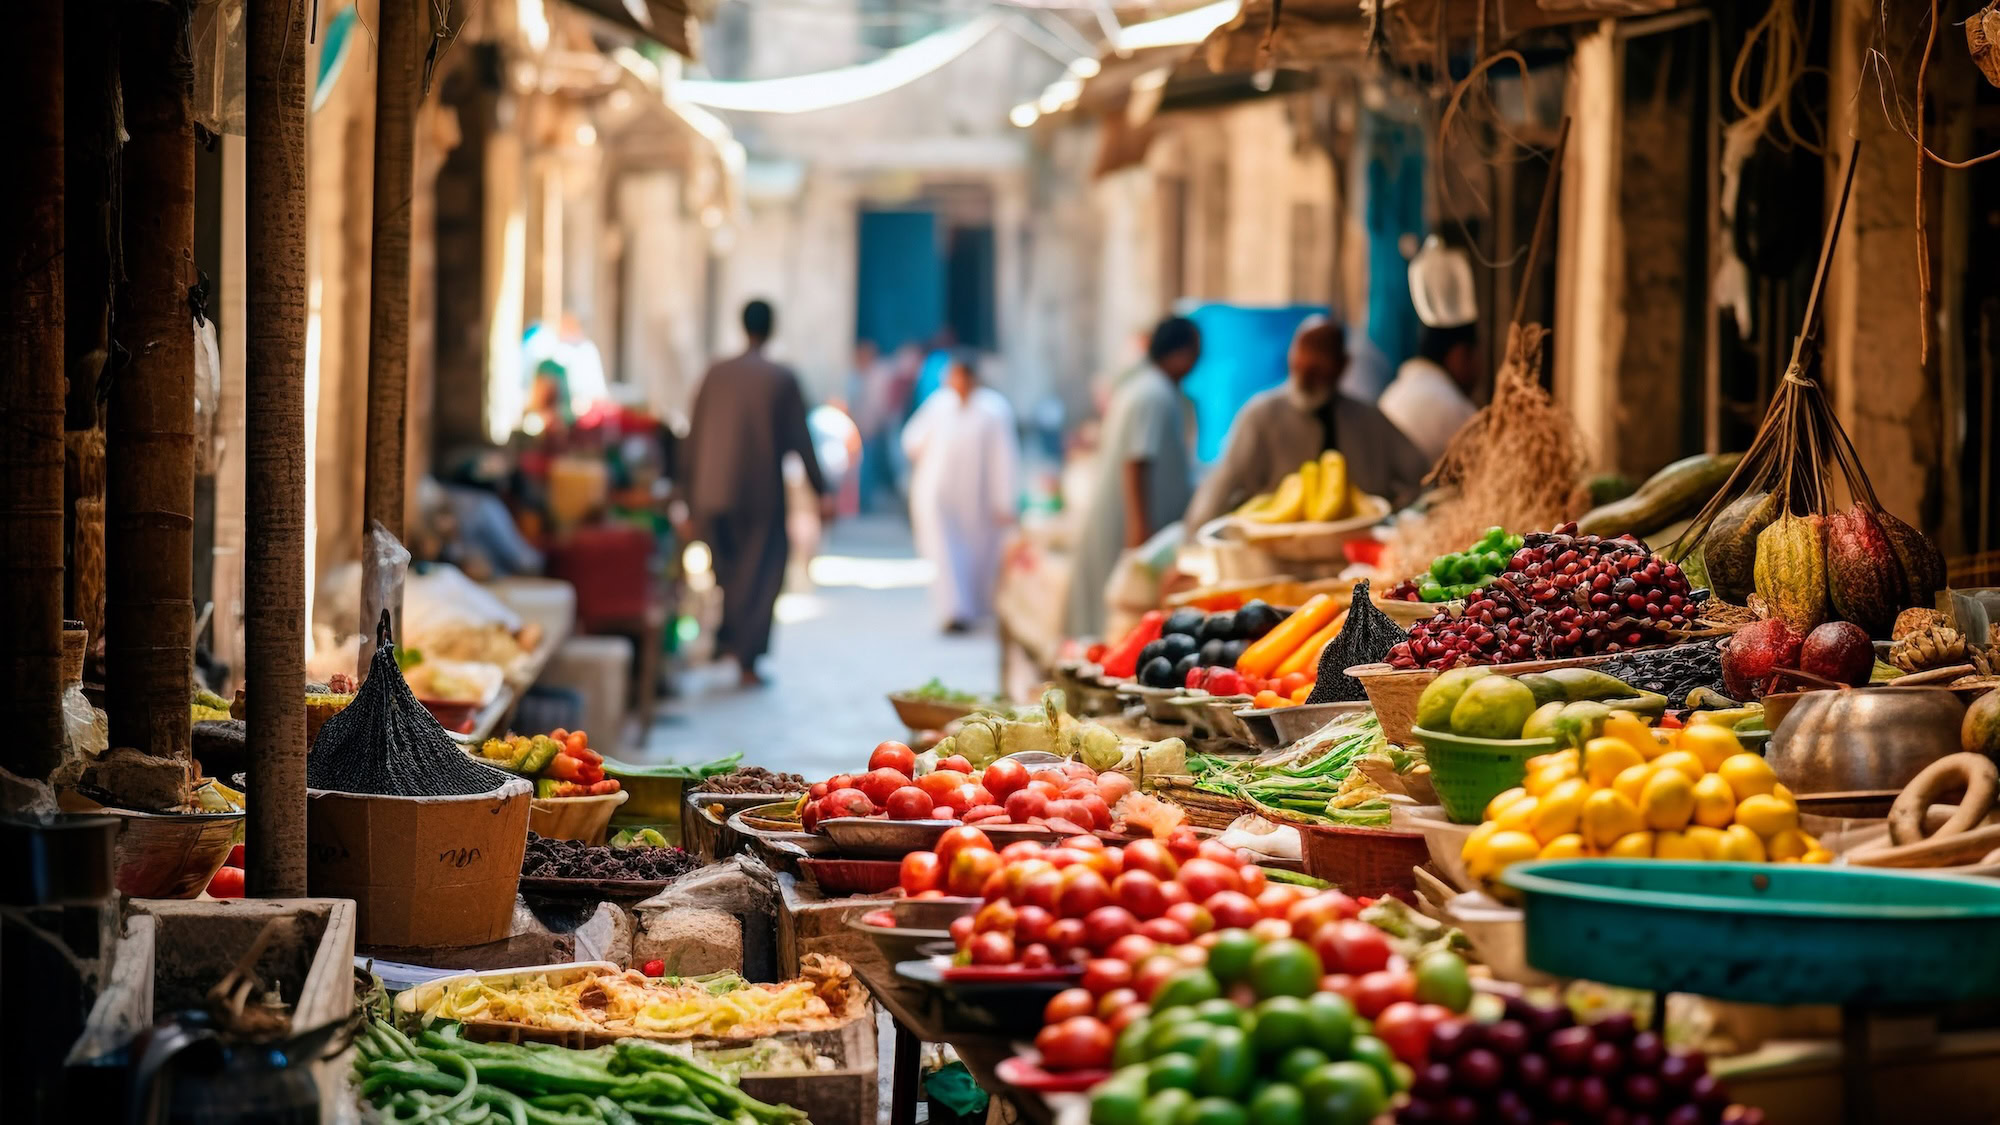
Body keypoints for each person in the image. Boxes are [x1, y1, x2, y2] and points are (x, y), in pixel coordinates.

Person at [681, 299, 835, 687]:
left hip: (711, 493)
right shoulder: (782, 378)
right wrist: (821, 490)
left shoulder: (715, 374)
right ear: (771, 329)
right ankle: (745, 658)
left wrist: (684, 498)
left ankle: (731, 642)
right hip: (760, 494)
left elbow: (692, 438)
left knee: (728, 571)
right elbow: (802, 439)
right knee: (761, 574)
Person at [1183, 319, 1434, 530]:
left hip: (1356, 554)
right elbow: (1221, 487)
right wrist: (1192, 544)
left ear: (1342, 365)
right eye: (1299, 367)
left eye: (1316, 370)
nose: (1305, 378)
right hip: (1278, 553)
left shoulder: (1368, 420)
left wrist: (1398, 517)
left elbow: (1424, 476)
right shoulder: (1262, 416)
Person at [1065, 316, 1202, 639]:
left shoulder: (1146, 388)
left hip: (1132, 524)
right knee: (1114, 619)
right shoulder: (1152, 394)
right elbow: (1136, 460)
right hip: (1130, 526)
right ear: (1180, 353)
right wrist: (1139, 529)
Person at [902, 352, 1019, 633]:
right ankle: (952, 611)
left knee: (977, 555)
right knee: (943, 552)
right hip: (938, 494)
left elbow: (1004, 457)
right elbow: (912, 441)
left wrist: (1004, 500)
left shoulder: (993, 409)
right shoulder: (939, 405)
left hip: (977, 499)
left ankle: (973, 609)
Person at [1378, 322, 1480, 463]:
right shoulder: (1452, 405)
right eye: (1475, 357)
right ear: (1459, 354)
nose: (1478, 370)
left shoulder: (1397, 390)